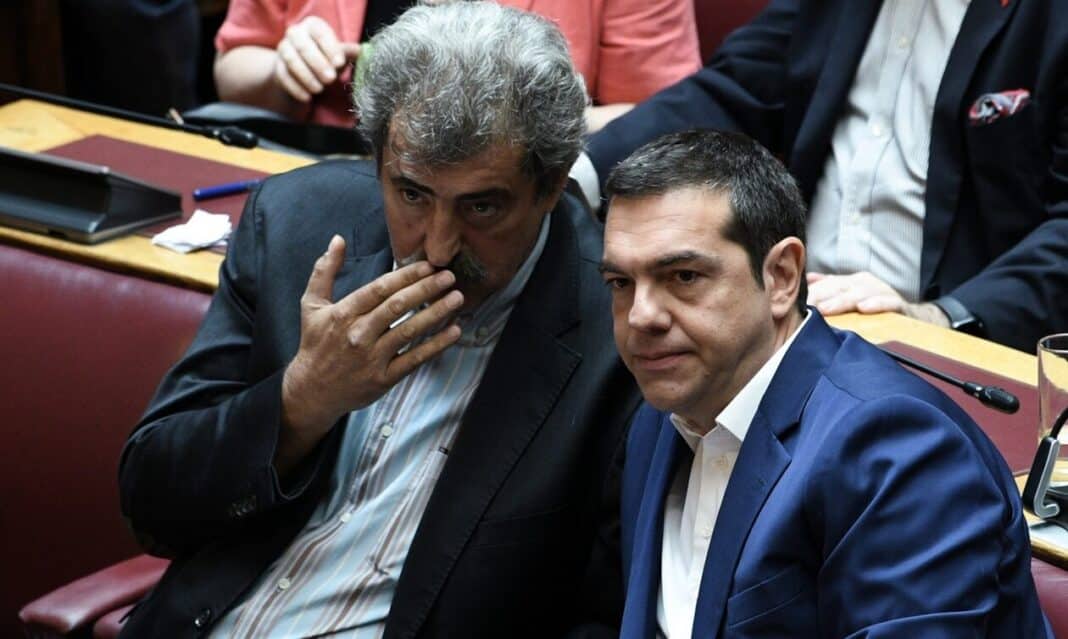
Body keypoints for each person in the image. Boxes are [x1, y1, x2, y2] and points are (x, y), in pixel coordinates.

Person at [117, 4, 639, 636]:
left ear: (552, 186)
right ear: (378, 159)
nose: (438, 247)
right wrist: (301, 402)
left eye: (481, 208)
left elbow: (606, 615)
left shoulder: (621, 335)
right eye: (412, 194)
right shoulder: (294, 225)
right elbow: (151, 505)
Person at [599, 129, 1051, 638]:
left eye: (683, 276)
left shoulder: (898, 450)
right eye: (621, 283)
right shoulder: (660, 417)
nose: (641, 316)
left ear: (781, 276)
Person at [578, 0, 1068, 352]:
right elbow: (732, 92)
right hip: (795, 322)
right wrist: (572, 174)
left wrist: (941, 317)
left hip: (956, 344)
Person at [213, 0, 700, 130]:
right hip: (317, 168)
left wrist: (519, 115)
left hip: (511, 212)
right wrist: (284, 72)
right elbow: (232, 67)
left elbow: (671, 121)